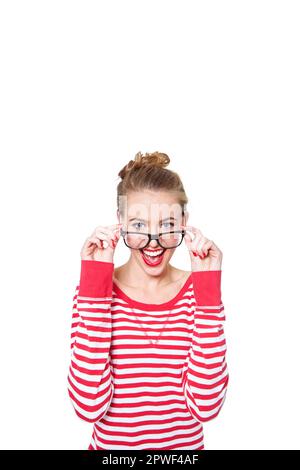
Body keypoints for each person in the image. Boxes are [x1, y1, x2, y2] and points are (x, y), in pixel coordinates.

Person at [67, 151, 229, 450]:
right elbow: (88, 406)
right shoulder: (95, 293)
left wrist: (208, 292)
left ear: (185, 223)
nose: (153, 242)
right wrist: (95, 282)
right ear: (119, 222)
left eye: (167, 224)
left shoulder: (198, 293)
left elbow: (206, 407)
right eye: (138, 225)